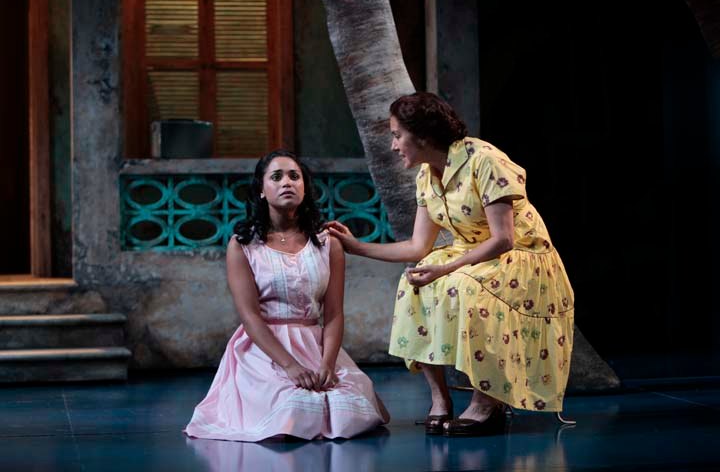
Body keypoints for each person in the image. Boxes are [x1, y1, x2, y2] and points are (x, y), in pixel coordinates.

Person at [327, 92, 574, 437]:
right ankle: (440, 399)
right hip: (469, 254)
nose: (394, 145)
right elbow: (418, 246)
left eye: (398, 135)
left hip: (522, 258)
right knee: (413, 284)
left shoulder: (485, 160)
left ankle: (487, 402)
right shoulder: (427, 176)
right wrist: (356, 247)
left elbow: (504, 239)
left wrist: (446, 268)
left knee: (468, 288)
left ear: (424, 137)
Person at [184, 149, 389, 442]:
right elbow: (250, 316)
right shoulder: (243, 245)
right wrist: (290, 366)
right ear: (262, 191)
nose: (287, 183)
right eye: (276, 177)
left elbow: (333, 313)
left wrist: (328, 364)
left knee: (350, 415)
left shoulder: (327, 243)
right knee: (291, 415)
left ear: (305, 187)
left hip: (316, 345)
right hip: (264, 348)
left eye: (295, 176)